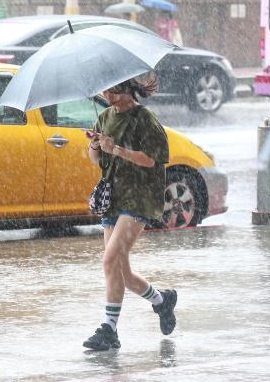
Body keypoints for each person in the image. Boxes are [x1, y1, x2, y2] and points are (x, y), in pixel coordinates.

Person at [82, 73, 177, 351]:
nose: (108, 97)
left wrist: (119, 150)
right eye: (105, 92)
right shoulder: (105, 117)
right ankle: (162, 301)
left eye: (114, 91)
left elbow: (151, 159)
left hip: (139, 198)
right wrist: (96, 146)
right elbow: (95, 158)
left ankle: (109, 330)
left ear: (127, 88)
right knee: (120, 271)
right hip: (113, 196)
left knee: (109, 259)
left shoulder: (144, 119)